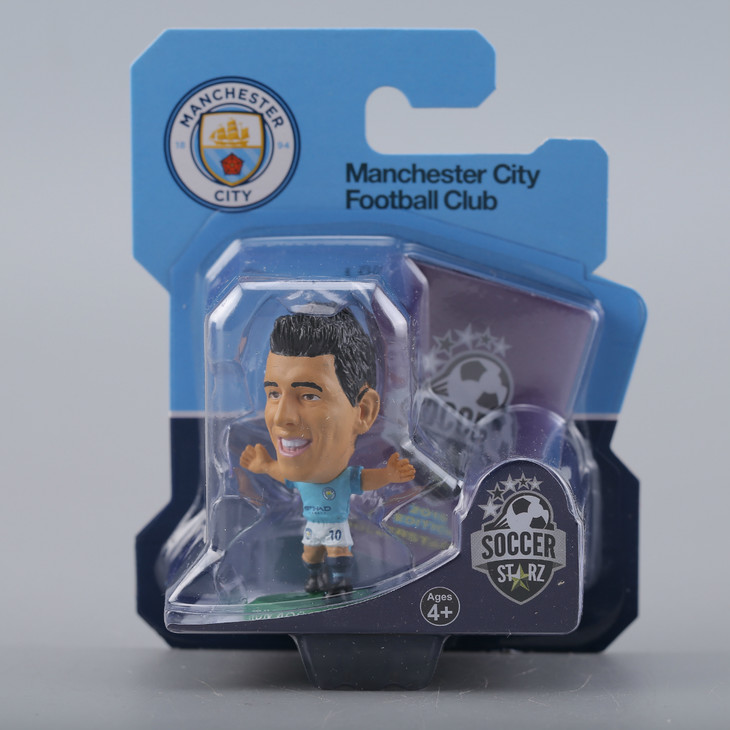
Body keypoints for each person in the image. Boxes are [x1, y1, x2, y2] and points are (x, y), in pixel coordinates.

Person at [239, 308, 415, 595]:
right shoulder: (301, 481)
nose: (282, 417)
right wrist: (263, 465)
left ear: (363, 411)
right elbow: (281, 473)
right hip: (313, 525)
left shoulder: (344, 479)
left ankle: (340, 582)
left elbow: (366, 480)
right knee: (310, 554)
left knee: (338, 551)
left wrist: (390, 475)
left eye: (309, 395)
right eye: (274, 393)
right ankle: (315, 578)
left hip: (336, 525)